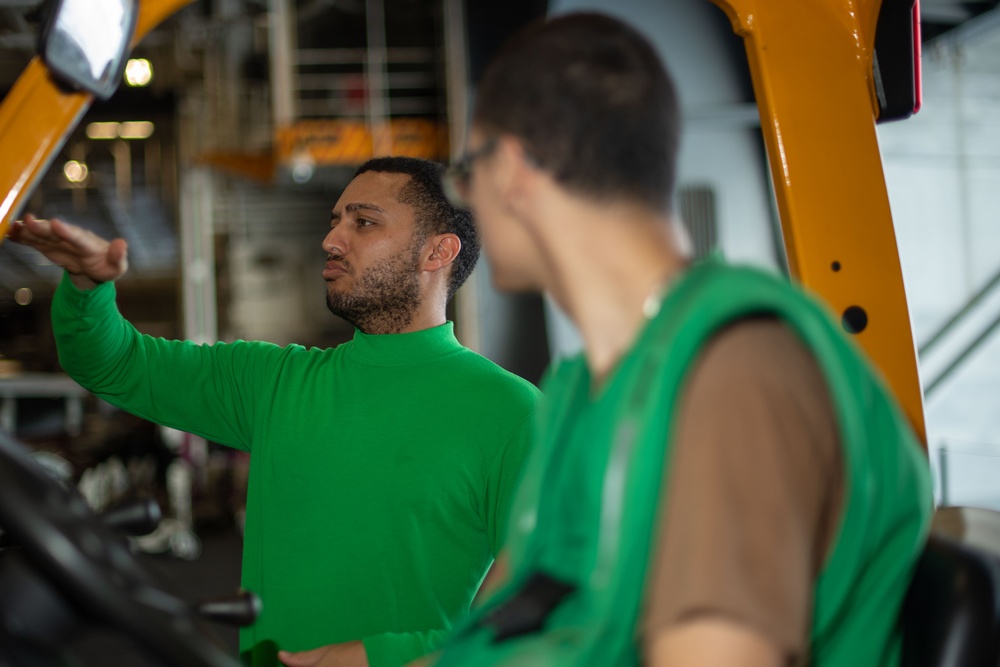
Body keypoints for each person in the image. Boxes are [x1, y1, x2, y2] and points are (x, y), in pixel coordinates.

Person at [429, 12, 932, 667]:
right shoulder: (585, 391)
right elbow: (523, 615)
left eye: (467, 171)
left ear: (513, 169)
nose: (468, 197)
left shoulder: (735, 374)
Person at [9, 157, 541, 667]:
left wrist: (387, 658)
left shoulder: (514, 413)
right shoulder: (274, 381)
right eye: (335, 221)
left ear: (437, 252)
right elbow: (116, 364)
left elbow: (552, 609)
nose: (331, 240)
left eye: (364, 222)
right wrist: (86, 285)